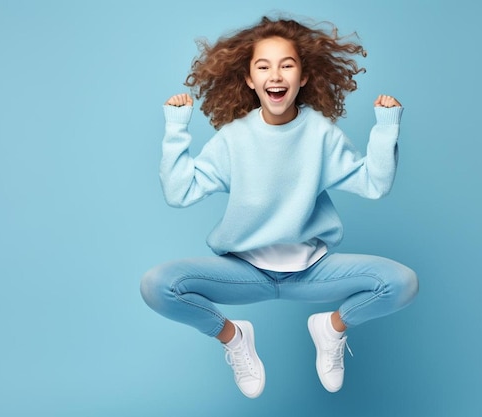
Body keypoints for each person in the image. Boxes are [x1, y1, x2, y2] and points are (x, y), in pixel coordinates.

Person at [140, 16, 418, 399]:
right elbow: (179, 192)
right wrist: (175, 130)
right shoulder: (234, 138)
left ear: (303, 77)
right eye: (263, 66)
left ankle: (331, 328)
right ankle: (234, 338)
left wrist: (386, 128)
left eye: (287, 64)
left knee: (401, 283)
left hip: (312, 272)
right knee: (158, 286)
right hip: (243, 272)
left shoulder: (320, 133)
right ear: (250, 79)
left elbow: (374, 184)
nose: (276, 74)